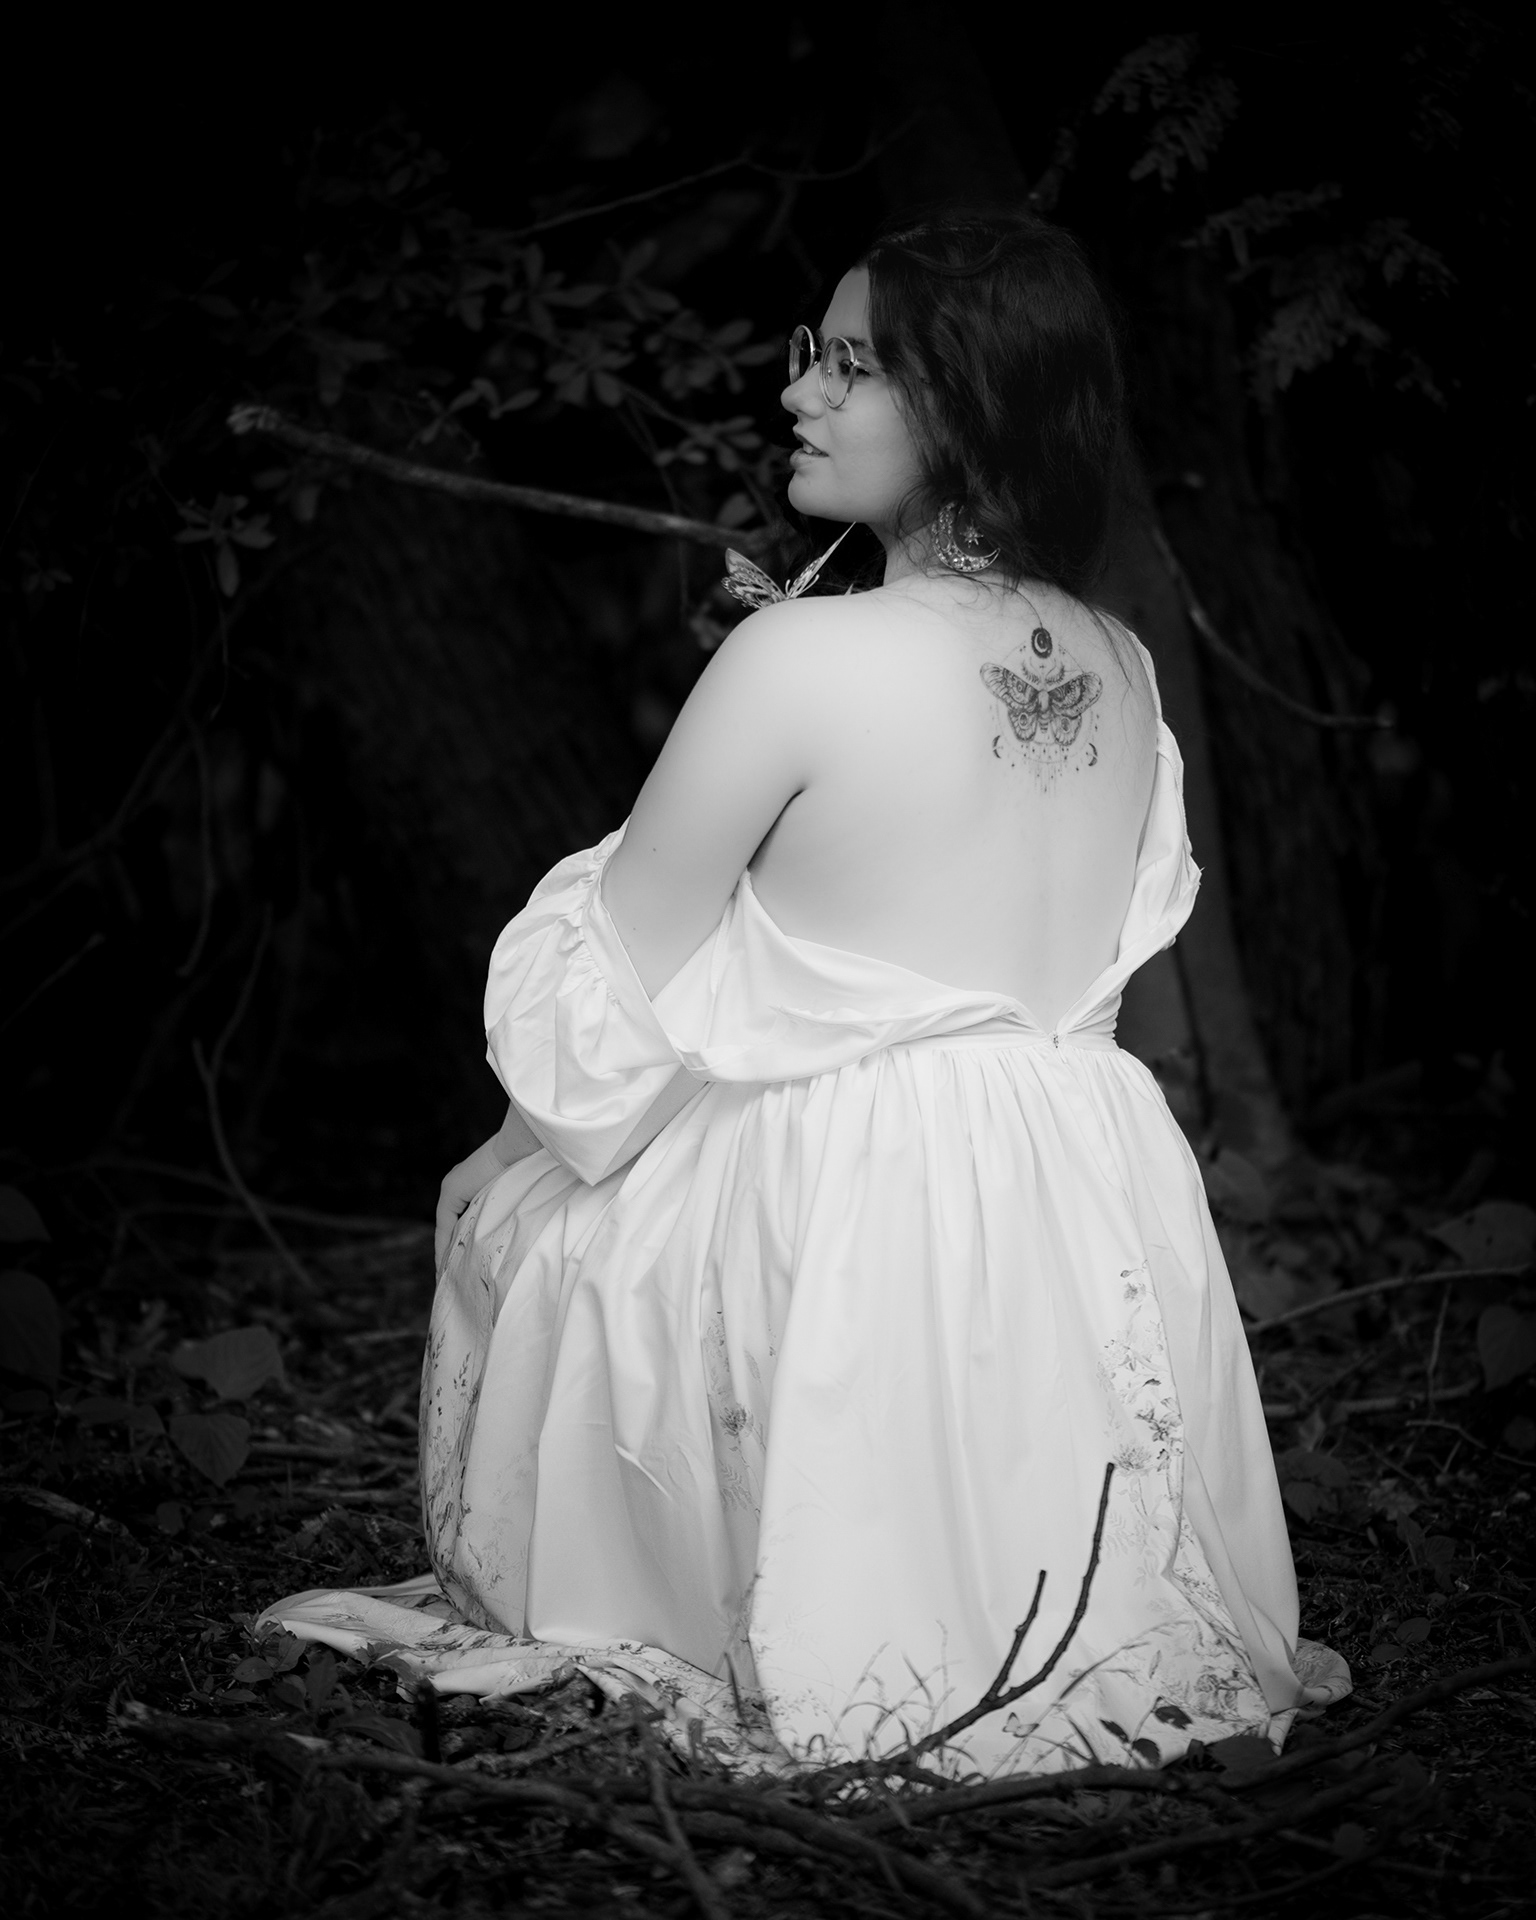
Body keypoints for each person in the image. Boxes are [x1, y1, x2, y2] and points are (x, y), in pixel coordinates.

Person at [415, 207, 1349, 1774]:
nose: (800, 391)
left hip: (839, 1200)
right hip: (1084, 1205)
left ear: (967, 400)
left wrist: (510, 1164)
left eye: (851, 364)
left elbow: (613, 993)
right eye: (813, 352)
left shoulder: (799, 658)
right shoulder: (1123, 665)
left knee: (520, 1209)